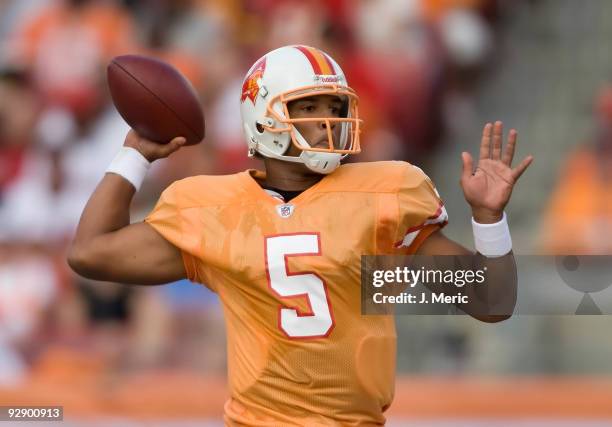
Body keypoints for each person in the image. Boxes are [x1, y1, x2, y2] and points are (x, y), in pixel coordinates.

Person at [68, 45, 533, 426]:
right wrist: (135, 154)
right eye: (307, 107)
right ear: (263, 118)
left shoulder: (383, 195)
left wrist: (488, 218)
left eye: (334, 106)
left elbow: (491, 302)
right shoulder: (211, 207)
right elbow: (91, 252)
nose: (326, 120)